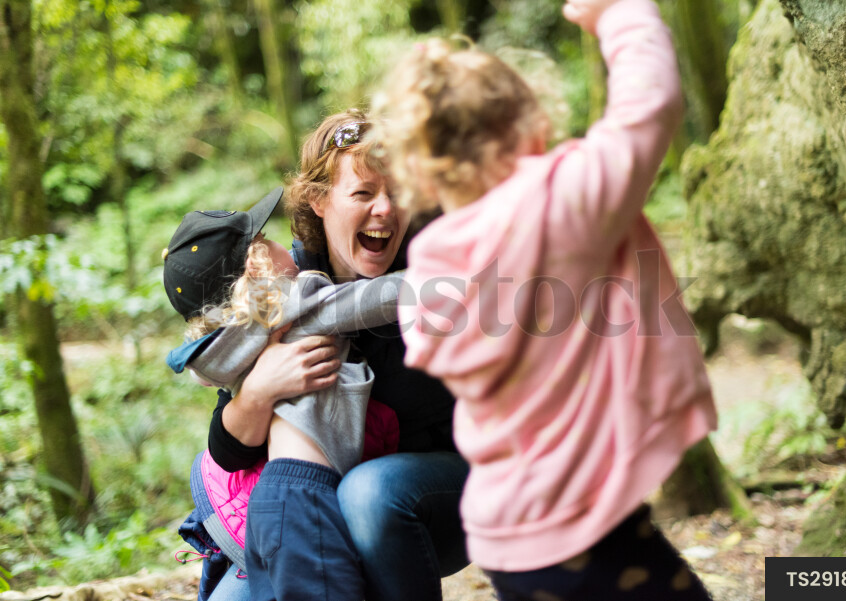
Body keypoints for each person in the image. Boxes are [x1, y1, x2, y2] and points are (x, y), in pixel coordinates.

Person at [372, 0, 717, 599]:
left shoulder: (429, 268)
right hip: (584, 526)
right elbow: (649, 105)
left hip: (510, 535)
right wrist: (619, 14)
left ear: (425, 173)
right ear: (531, 124)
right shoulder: (562, 204)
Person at [203, 111, 469, 601]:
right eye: (364, 193)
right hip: (313, 507)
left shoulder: (435, 272)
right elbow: (227, 449)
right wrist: (260, 390)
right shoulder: (289, 282)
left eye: (398, 192)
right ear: (320, 201)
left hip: (438, 495)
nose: (385, 209)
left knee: (368, 492)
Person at [162, 186, 410, 600]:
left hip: (272, 502)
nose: (286, 247)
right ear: (257, 267)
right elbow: (377, 298)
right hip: (303, 494)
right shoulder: (290, 306)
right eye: (266, 241)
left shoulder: (231, 345)